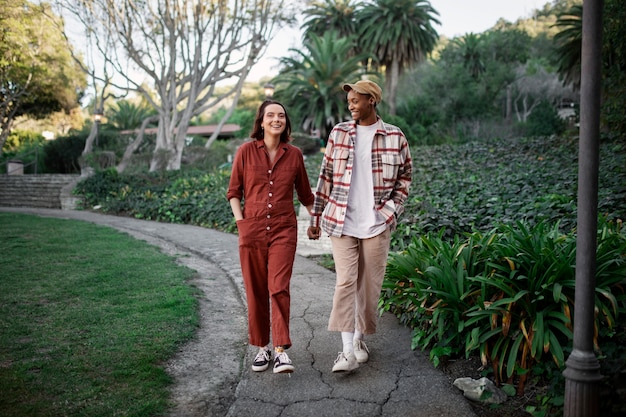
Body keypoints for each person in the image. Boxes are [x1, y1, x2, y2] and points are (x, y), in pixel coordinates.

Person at [307, 80, 412, 372]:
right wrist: (316, 217)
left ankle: (359, 339)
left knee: (368, 286)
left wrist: (390, 212)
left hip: (377, 224)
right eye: (349, 100)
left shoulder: (394, 136)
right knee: (345, 282)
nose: (351, 104)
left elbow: (405, 177)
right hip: (341, 220)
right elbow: (325, 175)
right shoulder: (339, 132)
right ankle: (346, 352)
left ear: (372, 101)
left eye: (356, 100)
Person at [227, 100, 315, 374]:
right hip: (251, 230)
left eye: (281, 116)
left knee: (278, 287)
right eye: (271, 115)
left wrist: (317, 219)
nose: (276, 119)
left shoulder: (295, 155)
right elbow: (233, 192)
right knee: (255, 290)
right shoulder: (245, 151)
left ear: (286, 123)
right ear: (261, 122)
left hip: (283, 230)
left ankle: (280, 351)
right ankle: (261, 348)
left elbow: (305, 195)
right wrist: (241, 223)